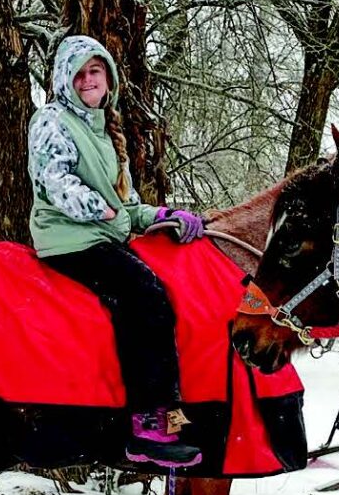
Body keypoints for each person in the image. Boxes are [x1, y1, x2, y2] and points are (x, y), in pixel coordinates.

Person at [28, 35, 206, 469]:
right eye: (80, 73)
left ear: (108, 77)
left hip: (102, 233)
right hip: (67, 238)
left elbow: (125, 202)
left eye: (96, 71)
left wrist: (160, 214)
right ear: (64, 79)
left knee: (173, 288)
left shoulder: (107, 127)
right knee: (144, 293)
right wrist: (105, 211)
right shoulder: (51, 119)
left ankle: (175, 414)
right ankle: (147, 427)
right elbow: (56, 182)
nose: (89, 80)